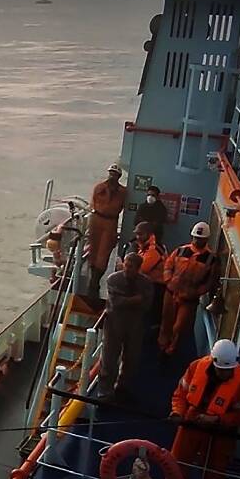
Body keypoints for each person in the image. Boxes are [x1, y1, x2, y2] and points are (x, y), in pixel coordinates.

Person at [169, 339, 240, 479]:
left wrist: (218, 420)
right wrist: (177, 412)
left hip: (220, 434)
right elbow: (180, 394)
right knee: (176, 466)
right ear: (213, 362)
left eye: (229, 370)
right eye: (222, 370)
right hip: (191, 422)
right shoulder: (196, 367)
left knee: (215, 476)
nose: (226, 374)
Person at [159, 221, 218, 358]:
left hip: (188, 299)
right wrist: (168, 280)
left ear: (206, 239)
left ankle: (171, 349)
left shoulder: (211, 259)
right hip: (171, 293)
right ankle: (161, 345)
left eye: (201, 238)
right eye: (196, 238)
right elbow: (168, 264)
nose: (197, 240)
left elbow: (211, 281)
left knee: (179, 327)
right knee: (166, 321)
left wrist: (197, 292)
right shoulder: (181, 250)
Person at [97, 253, 152, 400]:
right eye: (126, 265)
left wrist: (128, 301)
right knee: (109, 358)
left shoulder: (146, 283)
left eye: (131, 267)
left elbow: (147, 304)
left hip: (135, 325)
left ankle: (123, 387)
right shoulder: (113, 279)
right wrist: (135, 300)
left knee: (131, 359)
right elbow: (116, 302)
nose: (127, 269)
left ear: (138, 268)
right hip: (114, 324)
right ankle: (105, 390)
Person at [87, 163, 127, 299]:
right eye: (111, 173)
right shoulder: (99, 188)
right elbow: (92, 203)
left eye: (115, 174)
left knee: (103, 253)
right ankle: (93, 281)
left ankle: (95, 281)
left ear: (119, 176)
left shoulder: (123, 192)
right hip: (96, 220)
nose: (112, 176)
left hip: (110, 222)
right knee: (93, 250)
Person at [123, 221, 166, 325]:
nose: (137, 237)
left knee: (148, 321)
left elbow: (141, 269)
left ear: (149, 234)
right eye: (137, 234)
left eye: (140, 234)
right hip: (147, 286)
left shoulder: (154, 250)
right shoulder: (143, 247)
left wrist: (123, 267)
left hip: (155, 289)